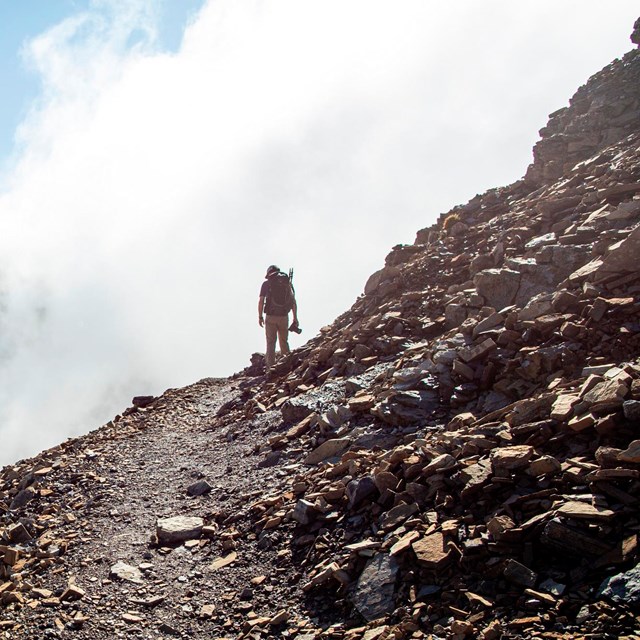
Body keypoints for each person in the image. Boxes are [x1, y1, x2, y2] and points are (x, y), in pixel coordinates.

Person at [258, 265, 298, 370]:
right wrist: (295, 318)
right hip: (284, 316)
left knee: (271, 343)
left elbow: (261, 301)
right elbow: (293, 301)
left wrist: (260, 316)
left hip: (271, 316)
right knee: (284, 341)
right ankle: (287, 366)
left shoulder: (267, 284)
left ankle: (271, 369)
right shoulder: (286, 283)